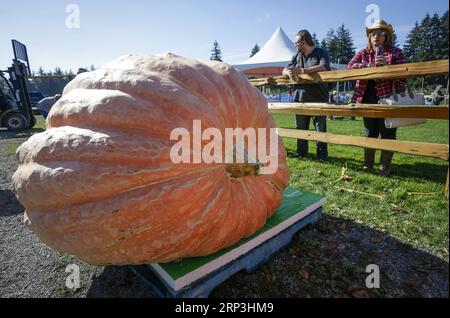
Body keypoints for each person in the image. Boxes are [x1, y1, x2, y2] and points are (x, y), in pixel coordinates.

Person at [347, 19, 406, 177]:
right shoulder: (363, 53)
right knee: (369, 132)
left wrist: (387, 69)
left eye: (380, 33)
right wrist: (370, 65)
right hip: (367, 99)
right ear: (369, 37)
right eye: (373, 34)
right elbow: (350, 66)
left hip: (388, 99)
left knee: (388, 133)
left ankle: (384, 166)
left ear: (386, 36)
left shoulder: (396, 52)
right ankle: (368, 164)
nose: (376, 37)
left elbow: (403, 76)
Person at [282, 29, 331, 162]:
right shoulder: (297, 55)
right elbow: (285, 69)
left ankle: (322, 156)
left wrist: (302, 71)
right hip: (300, 98)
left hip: (319, 98)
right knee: (300, 128)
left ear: (303, 42)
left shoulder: (321, 52)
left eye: (296, 42)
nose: (295, 45)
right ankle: (301, 153)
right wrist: (289, 73)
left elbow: (324, 67)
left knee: (320, 130)